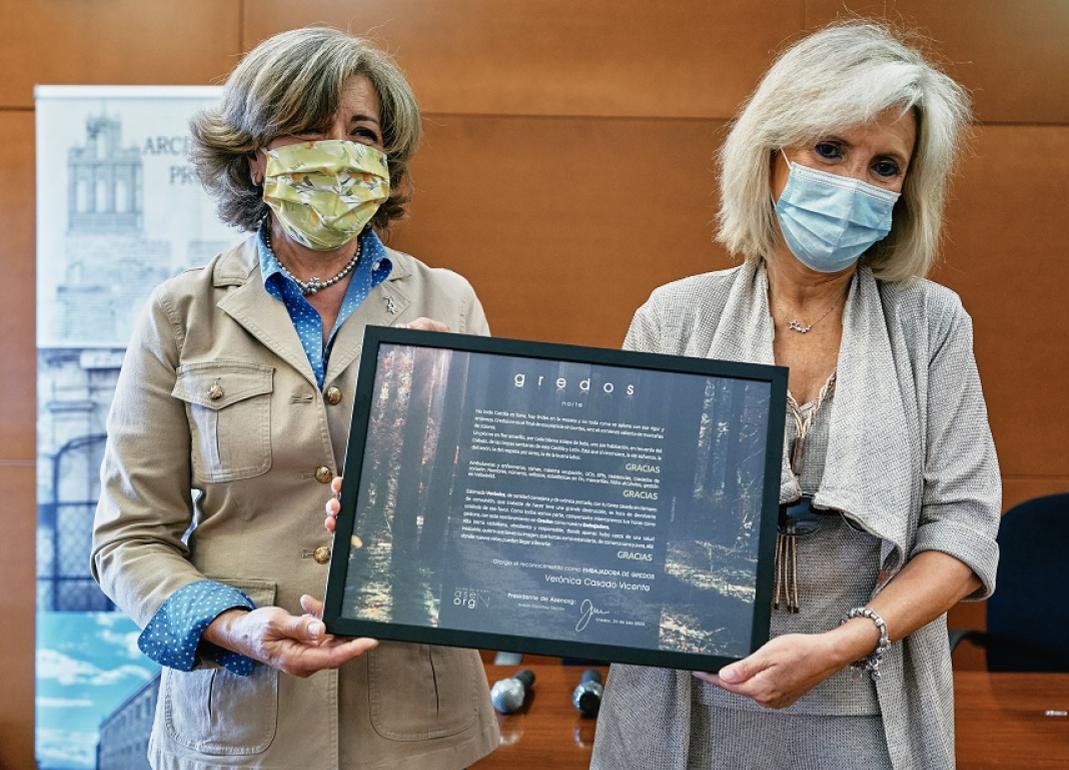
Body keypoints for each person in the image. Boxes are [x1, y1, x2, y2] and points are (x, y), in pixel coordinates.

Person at [589, 22, 1000, 770]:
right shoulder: (675, 318)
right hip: (686, 711)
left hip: (867, 710)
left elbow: (966, 531)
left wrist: (844, 643)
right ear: (771, 154)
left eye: (884, 166)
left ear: (905, 192)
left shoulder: (932, 324)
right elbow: (612, 516)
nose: (852, 184)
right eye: (830, 150)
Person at [91, 27, 499, 769]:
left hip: (417, 721)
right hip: (239, 720)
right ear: (254, 158)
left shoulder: (448, 302)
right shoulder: (181, 313)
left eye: (361, 133)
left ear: (386, 160)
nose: (338, 152)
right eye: (308, 131)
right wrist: (230, 624)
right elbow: (128, 539)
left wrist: (444, 448)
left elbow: (494, 520)